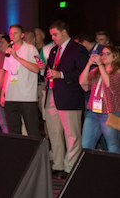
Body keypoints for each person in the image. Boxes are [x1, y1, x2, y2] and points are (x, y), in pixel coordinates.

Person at [45, 20, 88, 179]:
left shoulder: (78, 50)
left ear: (64, 32)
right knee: (55, 133)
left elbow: (83, 74)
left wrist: (61, 75)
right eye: (51, 35)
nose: (53, 38)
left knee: (71, 134)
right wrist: (45, 69)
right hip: (52, 95)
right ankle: (58, 164)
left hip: (69, 96)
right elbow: (51, 71)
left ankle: (70, 167)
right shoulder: (54, 50)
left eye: (55, 34)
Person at [0, 24, 40, 137]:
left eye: (16, 33)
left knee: (32, 130)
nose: (13, 35)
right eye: (11, 33)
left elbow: (36, 68)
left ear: (22, 35)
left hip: (27, 97)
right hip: (11, 96)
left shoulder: (30, 49)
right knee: (14, 131)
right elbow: (7, 73)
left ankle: (35, 153)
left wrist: (17, 57)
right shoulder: (9, 51)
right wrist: (3, 94)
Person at [79, 46, 120, 153]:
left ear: (115, 56)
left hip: (109, 112)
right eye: (102, 54)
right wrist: (88, 64)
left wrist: (101, 65)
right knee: (86, 144)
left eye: (108, 54)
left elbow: (109, 84)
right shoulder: (96, 71)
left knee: (112, 145)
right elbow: (82, 82)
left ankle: (114, 168)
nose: (104, 56)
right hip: (93, 112)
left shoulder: (118, 72)